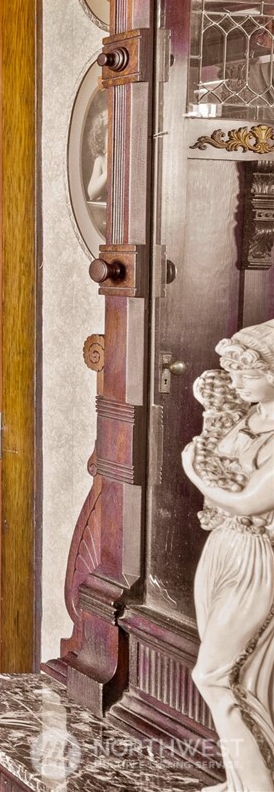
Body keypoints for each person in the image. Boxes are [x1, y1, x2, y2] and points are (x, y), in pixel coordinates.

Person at [181, 318, 274, 792]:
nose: (236, 381)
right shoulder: (250, 416)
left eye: (248, 373)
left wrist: (194, 471)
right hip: (224, 546)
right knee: (238, 674)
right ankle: (243, 780)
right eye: (232, 371)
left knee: (217, 676)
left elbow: (249, 500)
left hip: (258, 558)